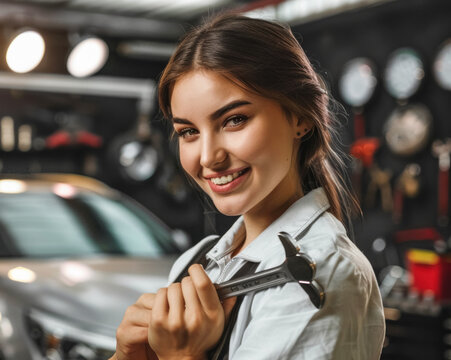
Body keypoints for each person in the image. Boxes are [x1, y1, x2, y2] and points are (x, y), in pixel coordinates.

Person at [112, 11, 386, 360]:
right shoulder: (196, 261)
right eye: (189, 132)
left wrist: (180, 357)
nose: (209, 157)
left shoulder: (324, 271)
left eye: (234, 120)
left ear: (300, 117)